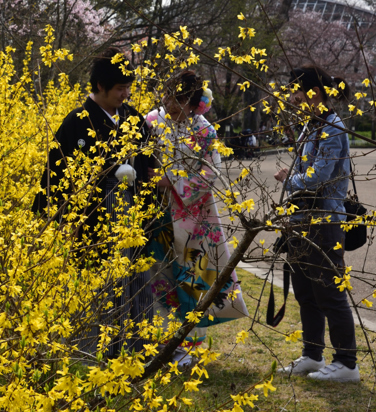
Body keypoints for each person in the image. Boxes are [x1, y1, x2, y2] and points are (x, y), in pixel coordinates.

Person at [39, 47, 157, 357]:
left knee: (139, 281)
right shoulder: (77, 121)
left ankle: (138, 352)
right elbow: (56, 176)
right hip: (96, 217)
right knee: (104, 287)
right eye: (120, 88)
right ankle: (98, 356)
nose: (125, 94)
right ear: (100, 86)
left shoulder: (133, 118)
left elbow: (149, 163)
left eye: (128, 88)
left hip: (133, 214)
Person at [145, 70, 249, 366]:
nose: (171, 104)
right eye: (168, 96)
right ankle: (164, 341)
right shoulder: (152, 121)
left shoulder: (205, 131)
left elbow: (211, 172)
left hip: (193, 216)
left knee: (193, 279)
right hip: (158, 213)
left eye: (180, 99)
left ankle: (191, 345)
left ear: (194, 102)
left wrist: (172, 180)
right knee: (160, 277)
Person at [274, 66, 358, 382]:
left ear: (315, 91)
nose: (292, 97)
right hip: (301, 220)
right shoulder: (311, 126)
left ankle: (347, 363)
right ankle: (312, 354)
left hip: (324, 221)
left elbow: (319, 178)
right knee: (305, 291)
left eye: (297, 90)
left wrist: (289, 178)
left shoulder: (332, 127)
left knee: (330, 292)